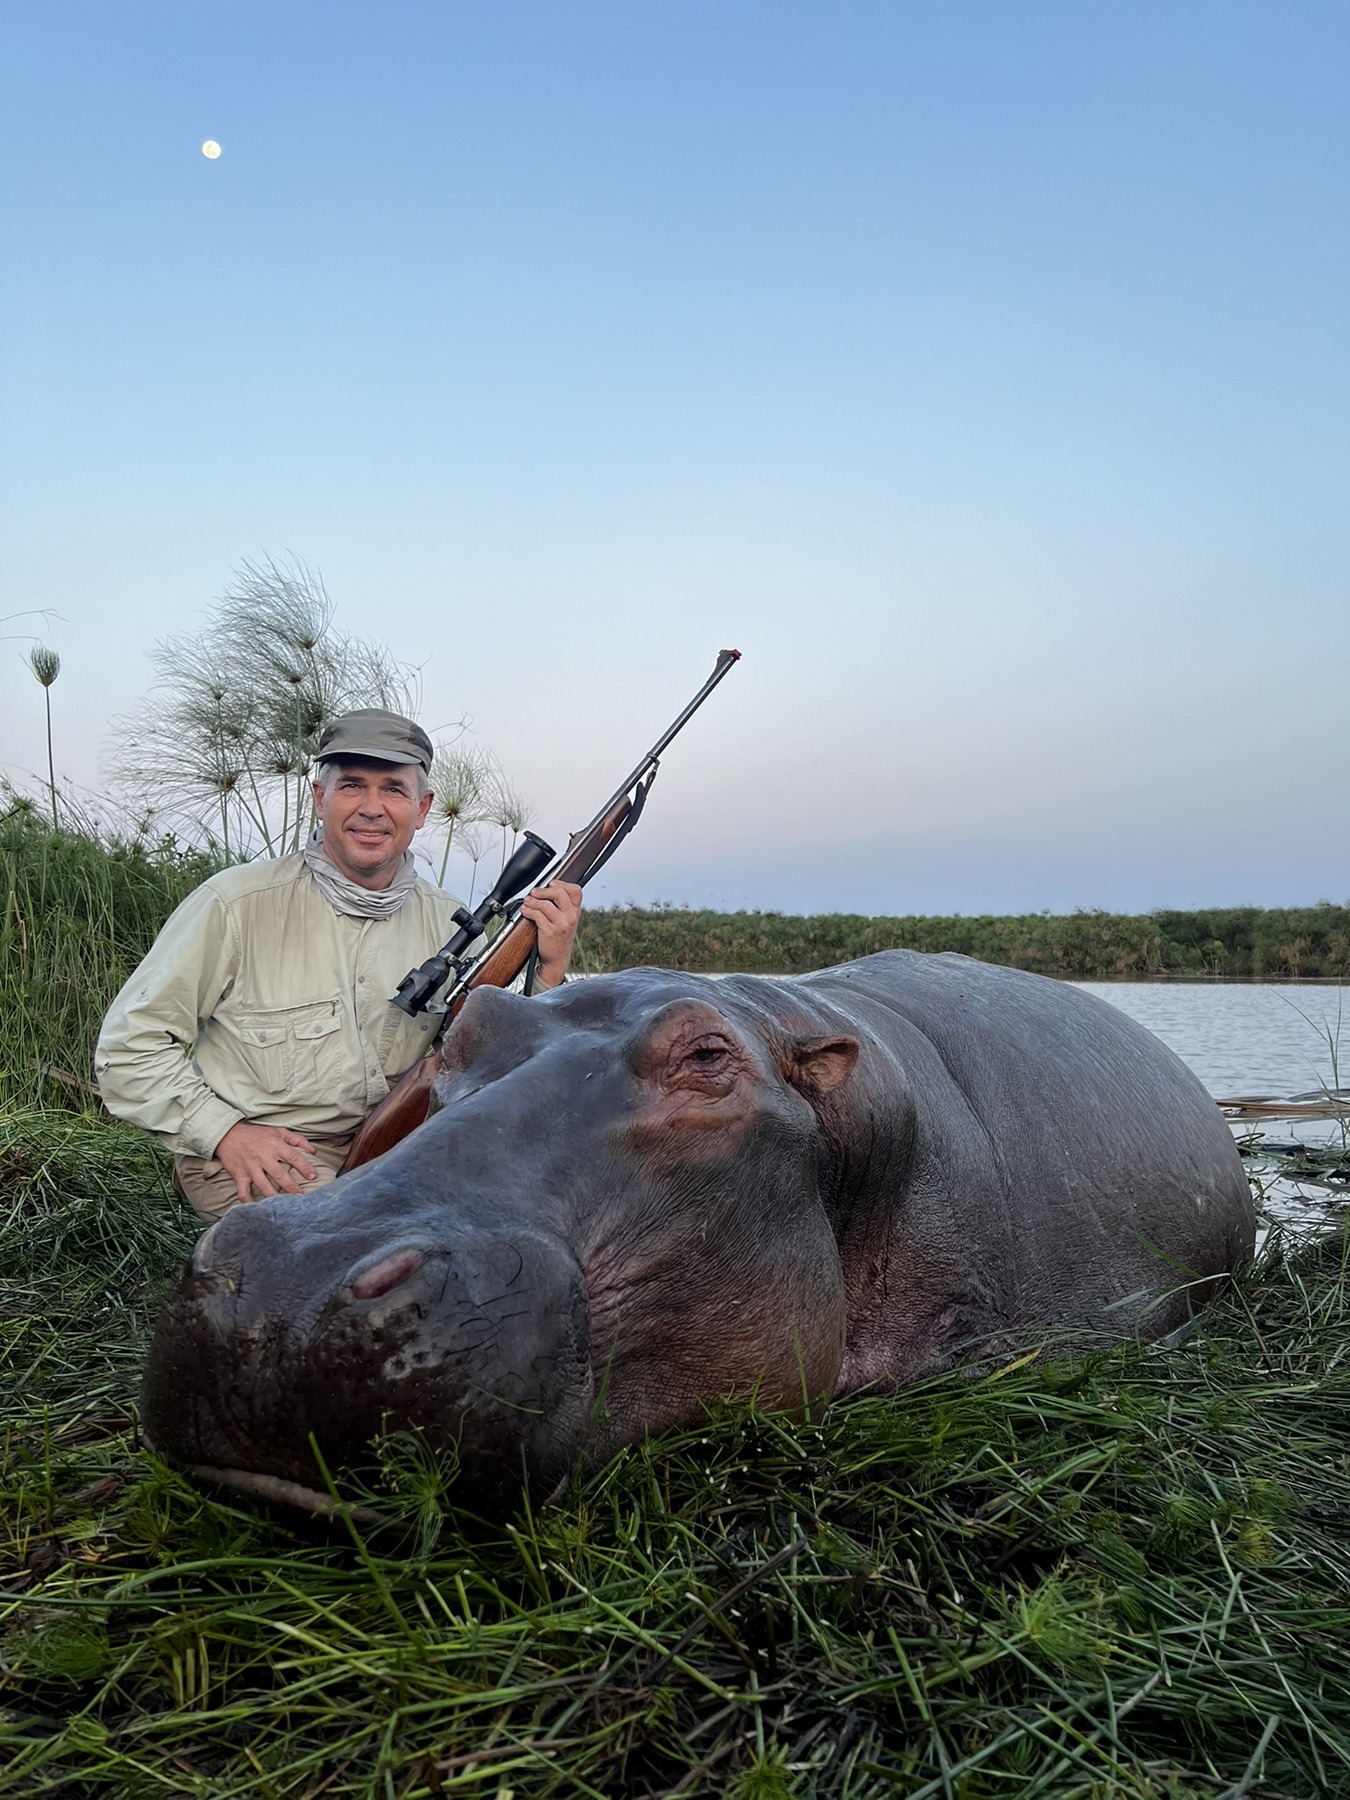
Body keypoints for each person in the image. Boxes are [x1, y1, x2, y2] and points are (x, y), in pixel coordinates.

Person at [95, 709, 582, 1222]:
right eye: (352, 786)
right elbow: (128, 1050)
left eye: (394, 790)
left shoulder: (448, 922)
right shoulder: (235, 904)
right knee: (359, 1247)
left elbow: (500, 1067)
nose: (372, 809)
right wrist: (223, 1133)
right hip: (270, 1153)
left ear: (422, 808)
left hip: (402, 1147)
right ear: (320, 798)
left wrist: (549, 968)